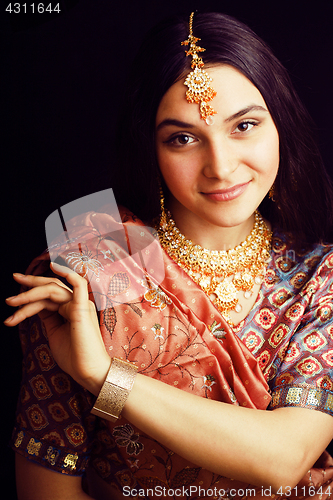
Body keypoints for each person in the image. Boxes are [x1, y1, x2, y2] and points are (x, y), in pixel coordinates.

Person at [5, 11, 333, 500]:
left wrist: (104, 376)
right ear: (150, 149)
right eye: (182, 139)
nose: (220, 167)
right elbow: (48, 487)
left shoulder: (319, 275)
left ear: (280, 125)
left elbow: (283, 459)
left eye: (244, 126)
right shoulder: (89, 266)